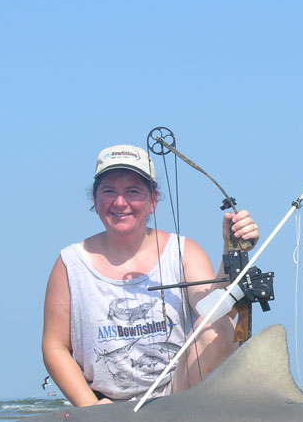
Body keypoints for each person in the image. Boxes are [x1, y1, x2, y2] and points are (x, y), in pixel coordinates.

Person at [42, 144, 260, 406]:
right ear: (95, 201)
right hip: (104, 407)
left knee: (220, 327)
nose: (120, 202)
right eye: (109, 191)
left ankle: (185, 418)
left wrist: (232, 249)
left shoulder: (184, 252)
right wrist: (90, 408)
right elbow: (54, 347)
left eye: (132, 192)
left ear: (153, 200)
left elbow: (215, 313)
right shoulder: (70, 262)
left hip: (176, 396)